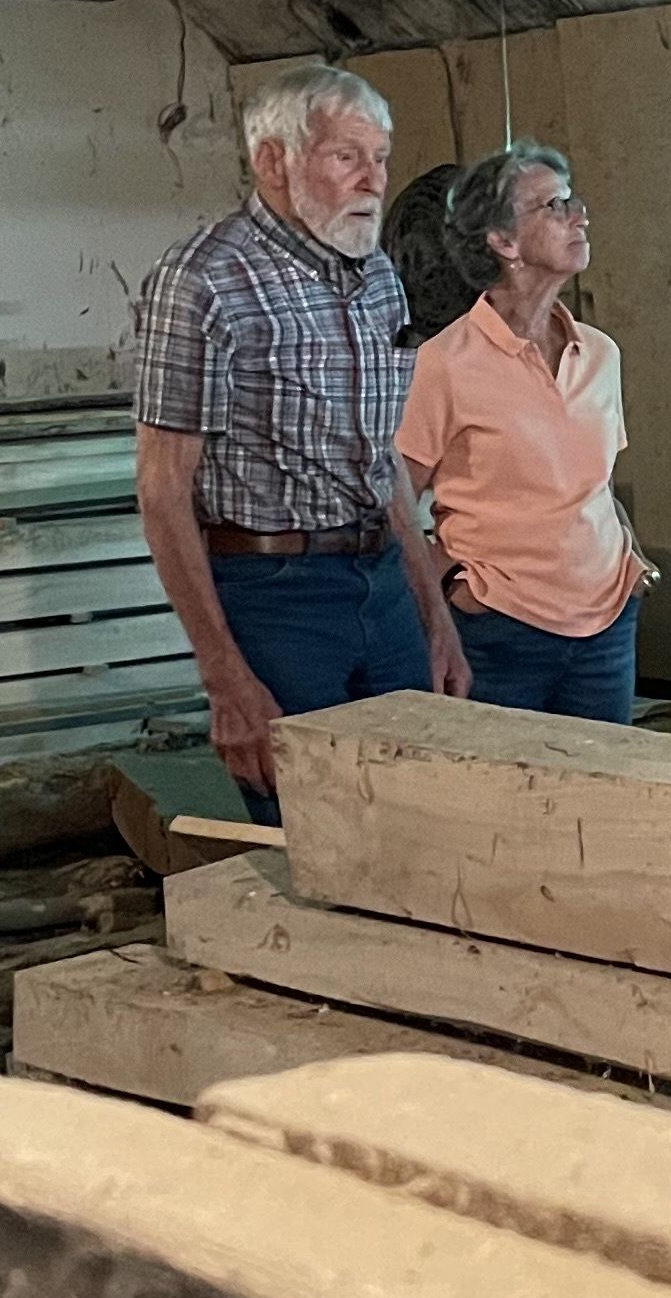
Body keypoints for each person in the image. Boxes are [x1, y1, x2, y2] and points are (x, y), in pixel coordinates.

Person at [129, 64, 467, 820]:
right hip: (273, 592)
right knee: (312, 831)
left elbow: (383, 468)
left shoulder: (381, 277)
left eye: (380, 158)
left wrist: (432, 619)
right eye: (346, 156)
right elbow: (161, 490)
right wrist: (225, 678)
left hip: (380, 583)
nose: (372, 180)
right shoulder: (203, 281)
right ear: (273, 159)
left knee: (418, 814)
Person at [396, 141, 651, 722]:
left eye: (574, 200)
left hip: (606, 626)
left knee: (603, 796)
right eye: (554, 206)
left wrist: (636, 566)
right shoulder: (444, 364)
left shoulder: (600, 354)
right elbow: (393, 501)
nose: (578, 215)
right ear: (503, 241)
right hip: (500, 631)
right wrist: (442, 609)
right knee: (504, 803)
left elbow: (598, 486)